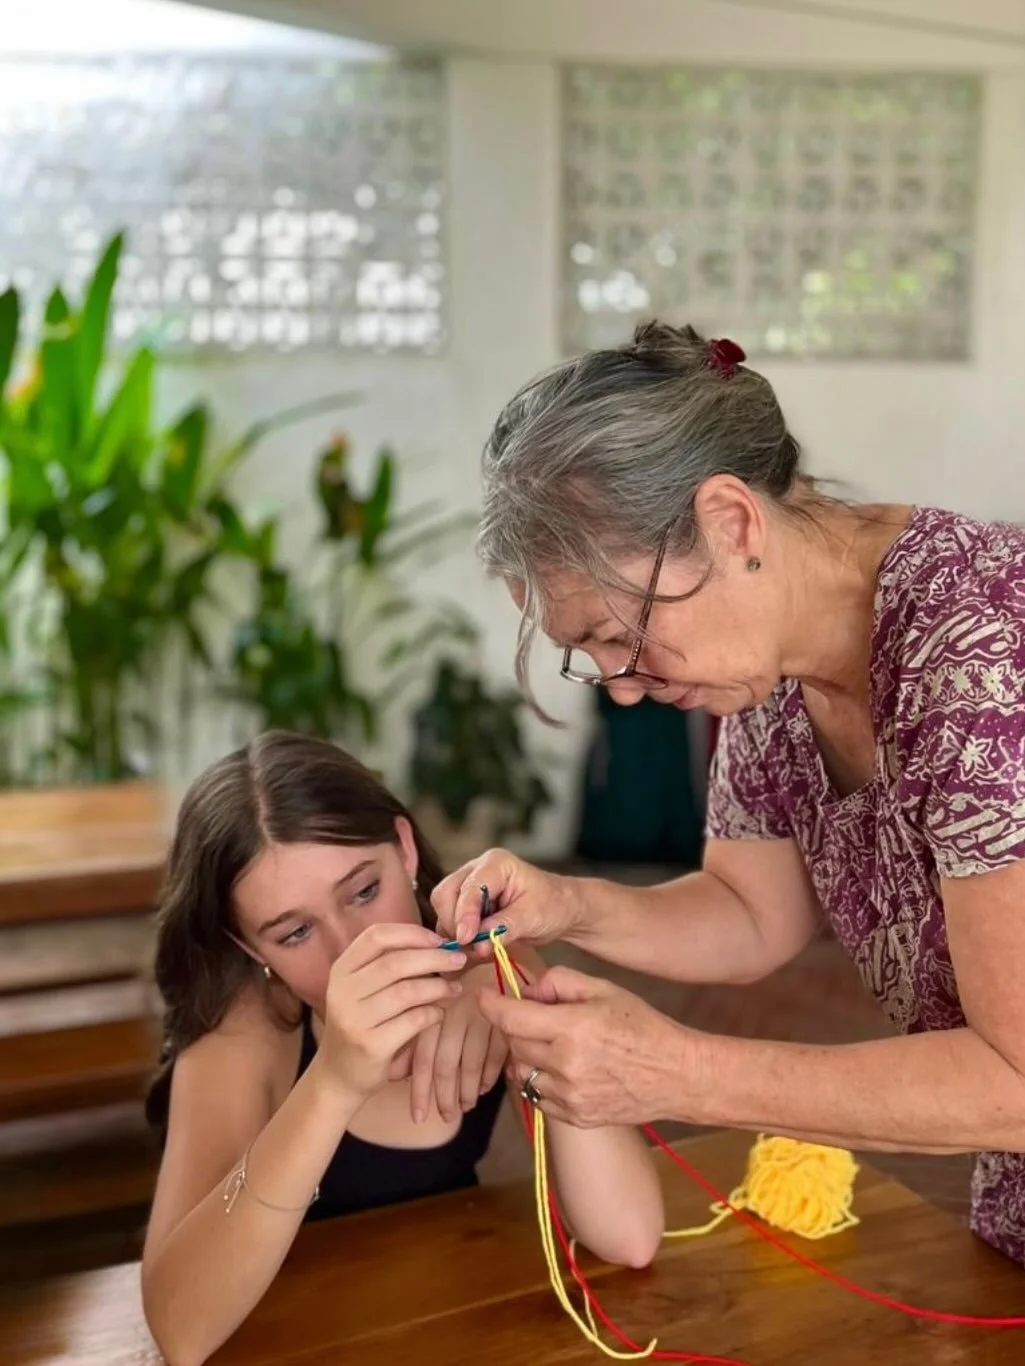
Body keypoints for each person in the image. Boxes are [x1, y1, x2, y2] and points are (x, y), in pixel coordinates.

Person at [432, 320, 1025, 1267]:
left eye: (619, 632)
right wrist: (568, 902)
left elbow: (1014, 1079)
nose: (624, 685)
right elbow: (752, 912)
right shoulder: (773, 676)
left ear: (732, 523)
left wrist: (671, 1072)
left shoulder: (979, 650)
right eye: (592, 658)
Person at [140, 731, 663, 1366]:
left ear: (406, 850)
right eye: (296, 931)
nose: (352, 948)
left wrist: (522, 1015)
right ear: (251, 949)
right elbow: (180, 1331)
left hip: (455, 1319)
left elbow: (631, 1236)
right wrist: (333, 1082)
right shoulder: (245, 1036)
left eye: (363, 891)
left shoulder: (491, 965)